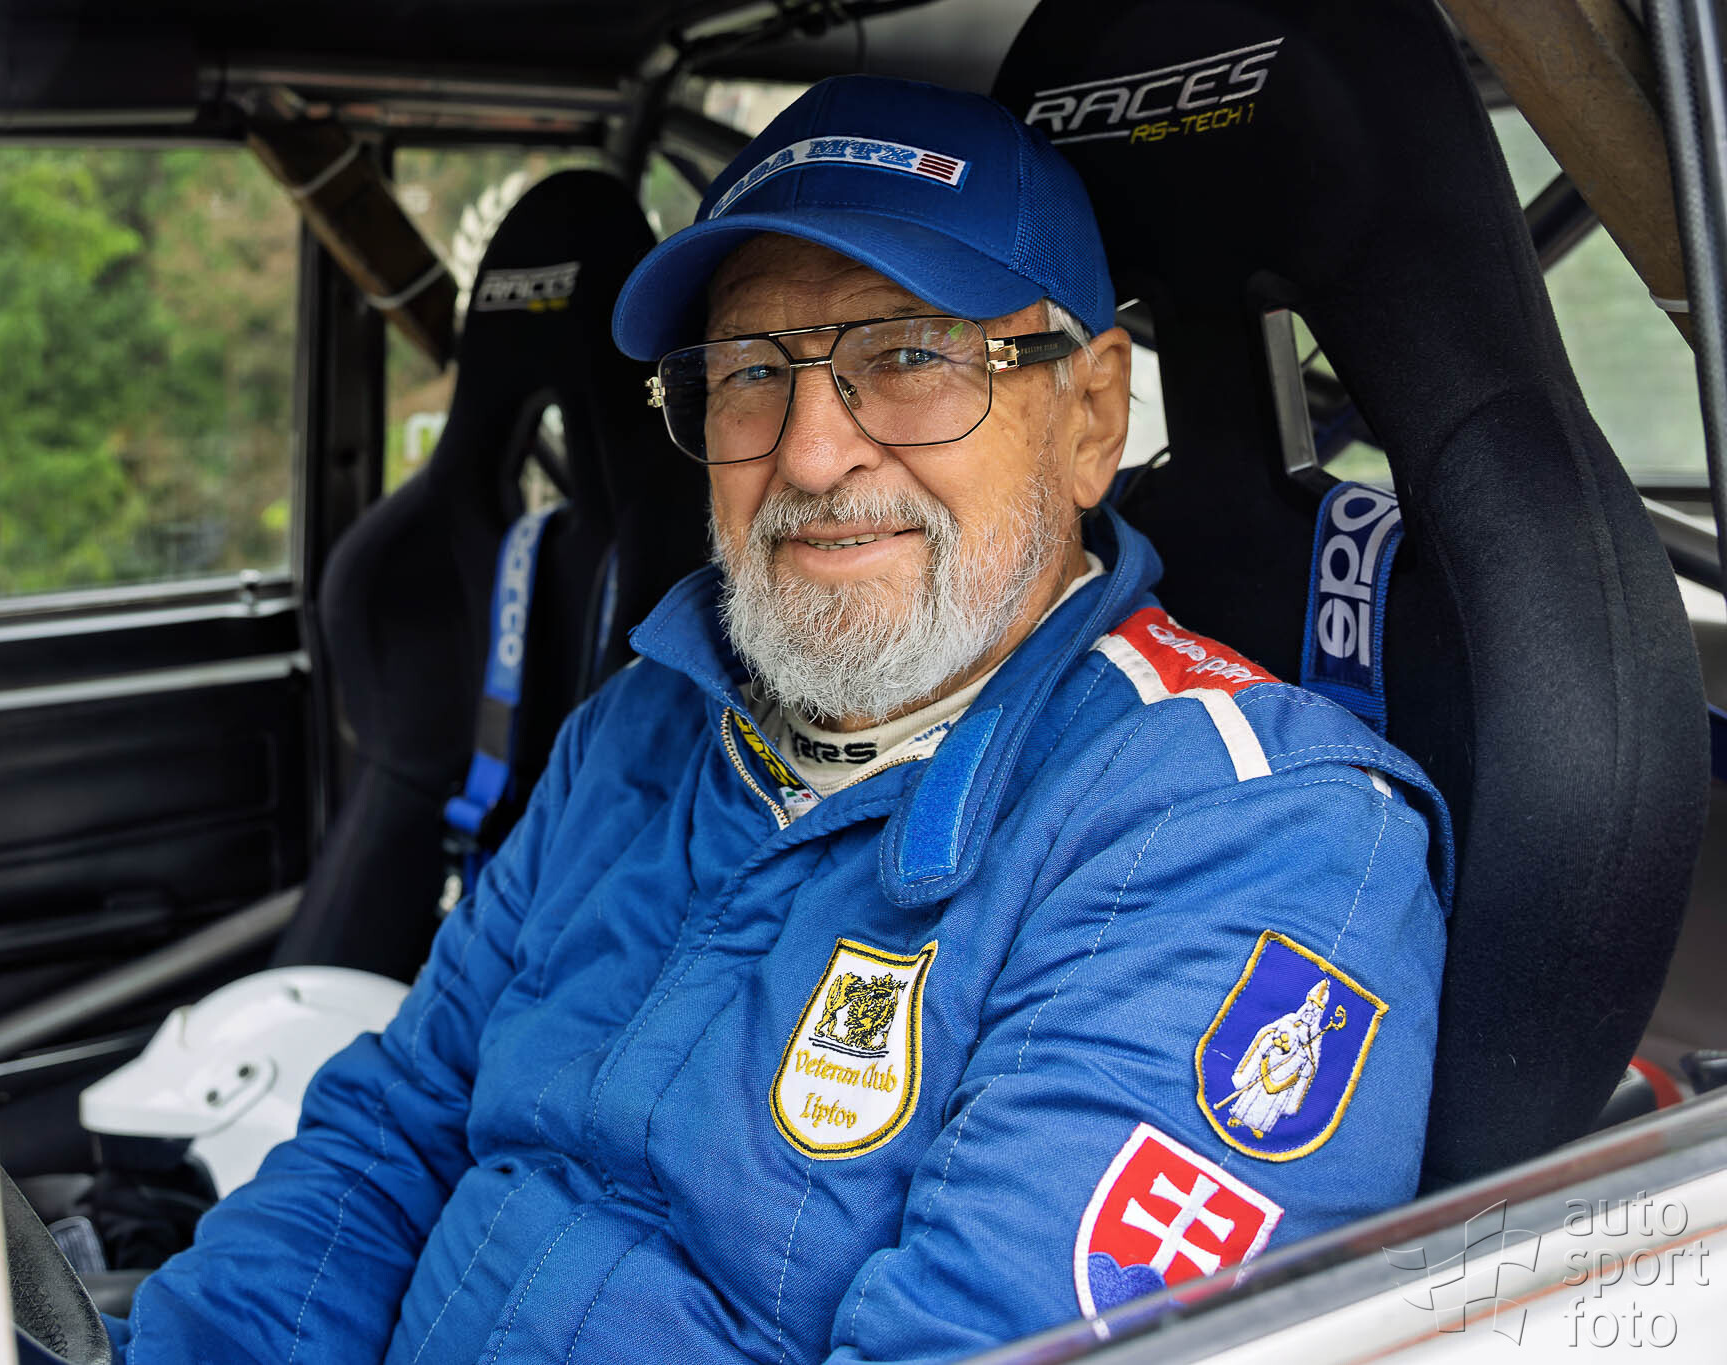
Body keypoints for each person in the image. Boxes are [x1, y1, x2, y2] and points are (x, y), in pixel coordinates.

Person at [112, 74, 1448, 1363]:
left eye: (909, 354)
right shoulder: (643, 726)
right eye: (752, 371)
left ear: (1091, 414)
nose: (810, 452)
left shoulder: (1252, 840)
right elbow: (392, 1137)